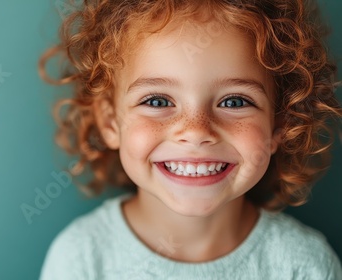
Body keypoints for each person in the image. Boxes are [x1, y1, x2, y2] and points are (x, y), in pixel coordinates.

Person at [38, 0, 342, 279]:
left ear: (279, 125)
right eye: (157, 101)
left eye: (234, 102)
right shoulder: (82, 258)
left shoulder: (304, 266)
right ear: (110, 122)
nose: (196, 132)